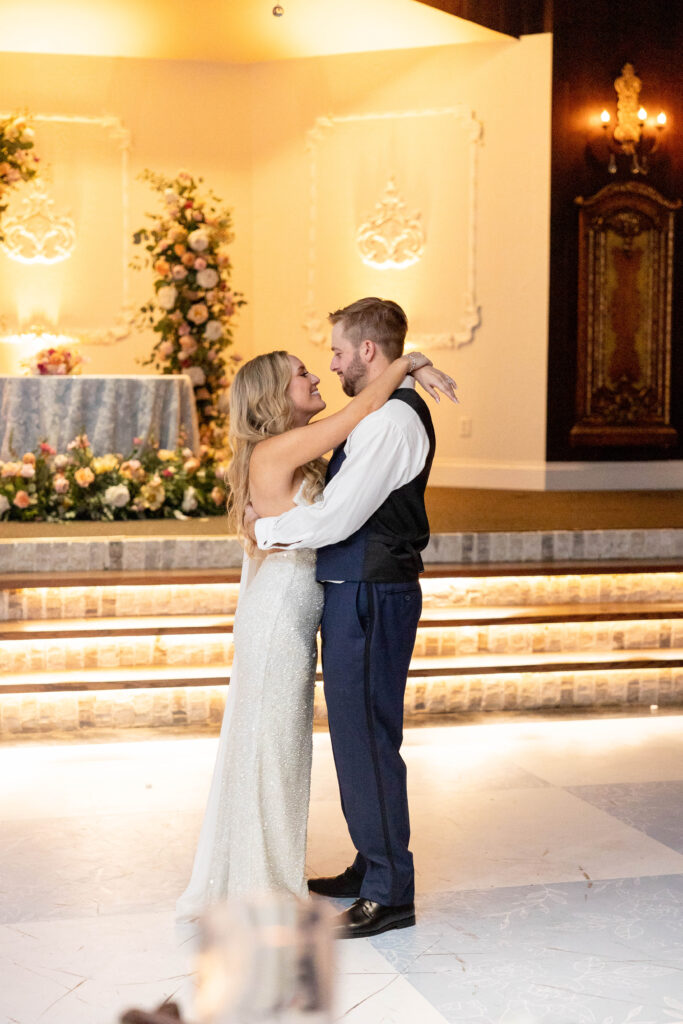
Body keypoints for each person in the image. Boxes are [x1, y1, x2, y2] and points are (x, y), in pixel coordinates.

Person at [175, 329, 455, 923]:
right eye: (305, 372)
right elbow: (360, 409)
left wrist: (406, 371)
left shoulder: (292, 449)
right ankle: (263, 881)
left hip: (304, 610)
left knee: (288, 748)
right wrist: (410, 362)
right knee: (275, 749)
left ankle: (295, 868)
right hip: (281, 617)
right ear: (278, 395)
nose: (319, 375)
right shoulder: (281, 451)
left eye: (324, 360)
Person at [250, 297, 455, 939]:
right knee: (358, 736)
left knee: (366, 739)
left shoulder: (391, 423)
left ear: (369, 352)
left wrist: (268, 531)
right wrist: (415, 361)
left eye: (337, 351)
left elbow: (339, 516)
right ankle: (373, 863)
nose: (331, 363)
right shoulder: (378, 415)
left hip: (370, 592)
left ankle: (390, 890)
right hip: (358, 589)